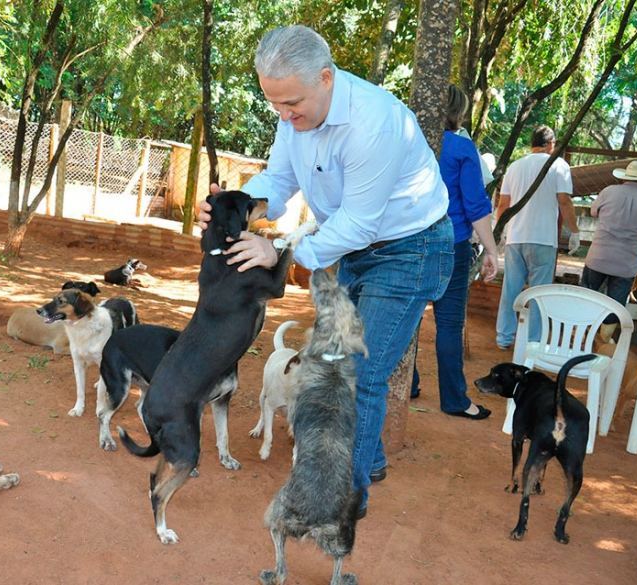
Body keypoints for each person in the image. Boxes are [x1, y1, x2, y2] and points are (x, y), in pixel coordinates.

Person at [197, 25, 453, 517]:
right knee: (332, 364)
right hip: (353, 244)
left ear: (326, 78)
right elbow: (279, 179)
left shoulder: (374, 122)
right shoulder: (294, 112)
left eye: (292, 103)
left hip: (411, 248)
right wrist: (236, 209)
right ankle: (367, 459)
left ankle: (338, 505)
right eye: (275, 105)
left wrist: (281, 252)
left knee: (357, 374)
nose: (285, 115)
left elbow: (360, 221)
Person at [411, 85, 498, 420]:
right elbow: (476, 204)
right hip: (453, 243)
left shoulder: (411, 143)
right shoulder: (462, 147)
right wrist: (490, 249)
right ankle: (455, 399)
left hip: (410, 243)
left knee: (409, 318)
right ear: (458, 113)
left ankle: (408, 382)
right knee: (448, 323)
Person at [494, 125, 580, 350]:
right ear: (551, 144)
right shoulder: (559, 165)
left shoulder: (515, 166)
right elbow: (564, 201)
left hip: (516, 236)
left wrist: (499, 230)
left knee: (510, 289)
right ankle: (533, 341)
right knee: (539, 293)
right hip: (543, 239)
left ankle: (504, 337)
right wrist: (574, 231)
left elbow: (503, 204)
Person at [580, 160, 637, 330]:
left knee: (586, 297)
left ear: (625, 177)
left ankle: (579, 331)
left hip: (598, 257)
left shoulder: (608, 192)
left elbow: (593, 211)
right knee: (615, 306)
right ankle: (604, 340)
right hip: (626, 264)